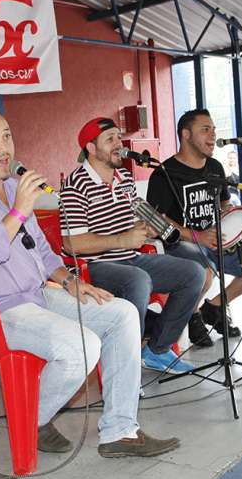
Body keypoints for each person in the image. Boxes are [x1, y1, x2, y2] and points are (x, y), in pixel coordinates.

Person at [0, 108, 180, 458]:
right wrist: (17, 212)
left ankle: (119, 430)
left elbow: (43, 252)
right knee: (81, 346)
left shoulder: (13, 187)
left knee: (122, 314)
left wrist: (68, 280)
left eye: (6, 136)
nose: (3, 148)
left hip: (36, 296)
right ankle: (31, 418)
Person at [59, 117, 205, 367]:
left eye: (118, 137)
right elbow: (73, 244)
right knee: (138, 279)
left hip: (131, 258)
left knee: (193, 272)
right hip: (94, 266)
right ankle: (125, 364)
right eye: (110, 139)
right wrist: (123, 239)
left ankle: (156, 350)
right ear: (91, 149)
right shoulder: (75, 186)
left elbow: (138, 212)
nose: (118, 143)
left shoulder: (124, 177)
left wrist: (155, 228)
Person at [146, 109, 242, 344]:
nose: (212, 135)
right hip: (181, 245)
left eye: (214, 129)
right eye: (205, 129)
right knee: (204, 271)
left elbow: (224, 204)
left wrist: (236, 220)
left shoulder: (215, 167)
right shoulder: (164, 173)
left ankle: (215, 306)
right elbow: (154, 218)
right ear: (185, 135)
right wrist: (197, 236)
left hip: (217, 240)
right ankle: (193, 314)